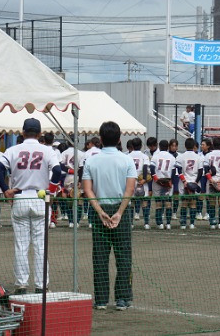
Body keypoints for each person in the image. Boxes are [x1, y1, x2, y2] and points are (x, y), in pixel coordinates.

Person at [0, 118, 61, 294]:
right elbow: (57, 171)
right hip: (40, 198)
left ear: (22, 133)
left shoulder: (13, 149)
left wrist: (5, 190)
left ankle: (21, 285)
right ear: (39, 134)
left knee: (21, 246)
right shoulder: (47, 150)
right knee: (40, 246)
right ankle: (41, 286)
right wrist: (51, 192)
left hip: (20, 197)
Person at [82, 121, 136, 311]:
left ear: (101, 139)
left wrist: (100, 211)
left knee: (100, 258)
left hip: (100, 211)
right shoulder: (127, 160)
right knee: (124, 257)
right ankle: (122, 298)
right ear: (120, 138)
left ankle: (101, 300)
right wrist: (120, 213)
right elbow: (130, 189)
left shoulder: (91, 160)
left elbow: (87, 190)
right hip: (122, 209)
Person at [175, 138, 203, 230]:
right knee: (193, 203)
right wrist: (196, 182)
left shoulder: (180, 156)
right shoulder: (198, 157)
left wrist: (184, 181)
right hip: (194, 182)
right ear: (194, 146)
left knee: (184, 203)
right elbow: (200, 171)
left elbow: (179, 170)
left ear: (185, 146)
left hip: (184, 183)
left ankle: (183, 223)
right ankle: (191, 224)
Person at [150, 140, 176, 230]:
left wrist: (155, 178)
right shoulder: (172, 157)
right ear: (168, 147)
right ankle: (168, 223)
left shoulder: (155, 156)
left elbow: (152, 168)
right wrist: (171, 181)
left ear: (159, 147)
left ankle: (160, 224)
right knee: (168, 203)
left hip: (158, 181)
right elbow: (173, 171)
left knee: (158, 204)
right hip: (167, 181)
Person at [60, 135, 84, 227]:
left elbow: (60, 165)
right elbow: (82, 168)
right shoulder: (81, 153)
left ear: (67, 142)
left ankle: (70, 221)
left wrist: (69, 170)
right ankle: (77, 222)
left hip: (68, 177)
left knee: (69, 200)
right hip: (78, 177)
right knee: (79, 200)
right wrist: (81, 181)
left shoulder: (64, 153)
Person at [128, 137, 150, 229]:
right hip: (142, 181)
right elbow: (145, 168)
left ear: (132, 146)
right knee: (144, 202)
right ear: (141, 146)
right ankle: (146, 224)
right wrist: (144, 179)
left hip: (131, 181)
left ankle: (131, 224)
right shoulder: (144, 156)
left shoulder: (127, 156)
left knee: (131, 203)